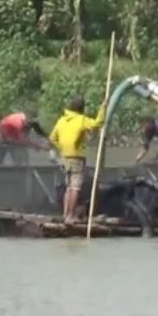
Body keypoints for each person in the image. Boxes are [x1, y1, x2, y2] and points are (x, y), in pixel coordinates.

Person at [50, 95, 106, 224]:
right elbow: (97, 123)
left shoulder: (61, 120)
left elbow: (52, 138)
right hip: (76, 158)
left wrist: (63, 148)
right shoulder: (81, 120)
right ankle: (70, 216)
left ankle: (66, 215)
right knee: (75, 187)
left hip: (64, 158)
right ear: (82, 108)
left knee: (68, 187)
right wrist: (103, 108)